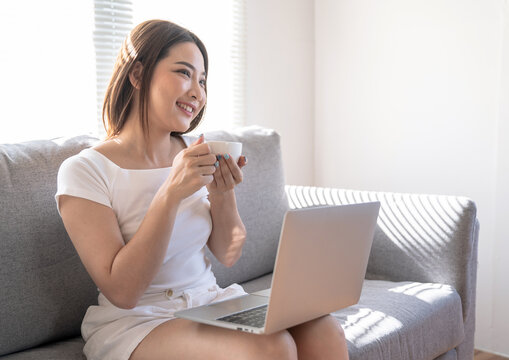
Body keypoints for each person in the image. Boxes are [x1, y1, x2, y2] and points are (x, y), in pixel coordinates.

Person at [55, 19, 348, 360]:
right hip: (139, 322)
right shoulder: (85, 171)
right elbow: (124, 291)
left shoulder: (196, 151)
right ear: (137, 75)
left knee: (324, 329)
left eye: (203, 81)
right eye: (184, 73)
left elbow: (227, 253)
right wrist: (170, 193)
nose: (198, 92)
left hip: (209, 302)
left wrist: (224, 194)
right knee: (272, 345)